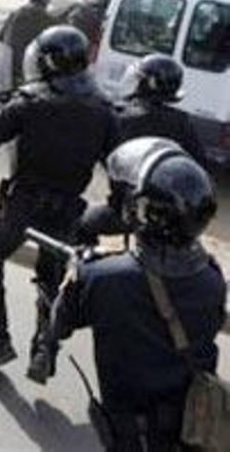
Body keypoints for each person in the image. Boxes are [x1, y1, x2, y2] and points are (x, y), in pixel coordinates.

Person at [49, 139, 226, 450]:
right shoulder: (212, 279)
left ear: (145, 213)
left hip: (133, 435)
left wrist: (77, 271)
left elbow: (59, 322)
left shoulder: (103, 277)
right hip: (192, 428)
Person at [0, 25, 118, 375]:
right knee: (52, 279)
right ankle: (44, 349)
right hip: (67, 210)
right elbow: (119, 171)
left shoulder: (25, 104)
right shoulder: (104, 111)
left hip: (23, 203)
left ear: (46, 63)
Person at [77, 55, 207, 245]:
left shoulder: (120, 117)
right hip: (169, 218)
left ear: (145, 84)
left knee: (81, 225)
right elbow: (199, 165)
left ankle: (88, 267)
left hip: (125, 212)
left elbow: (97, 156)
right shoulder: (183, 123)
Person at [0, 0, 57, 86]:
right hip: (24, 51)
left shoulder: (16, 12)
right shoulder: (41, 14)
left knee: (15, 77)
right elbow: (55, 30)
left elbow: (1, 36)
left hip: (10, 50)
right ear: (44, 3)